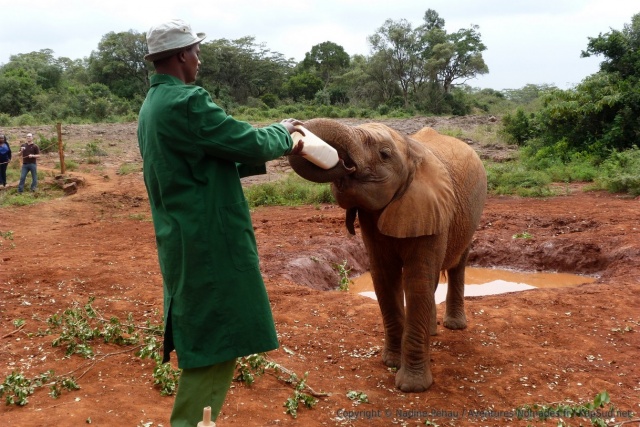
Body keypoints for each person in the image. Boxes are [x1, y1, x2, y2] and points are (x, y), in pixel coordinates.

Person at [137, 19, 304, 427]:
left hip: (183, 238)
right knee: (214, 343)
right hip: (209, 242)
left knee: (212, 336)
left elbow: (205, 157)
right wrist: (284, 133)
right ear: (180, 55)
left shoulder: (151, 107)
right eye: (195, 50)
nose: (199, 57)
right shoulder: (186, 102)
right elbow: (244, 140)